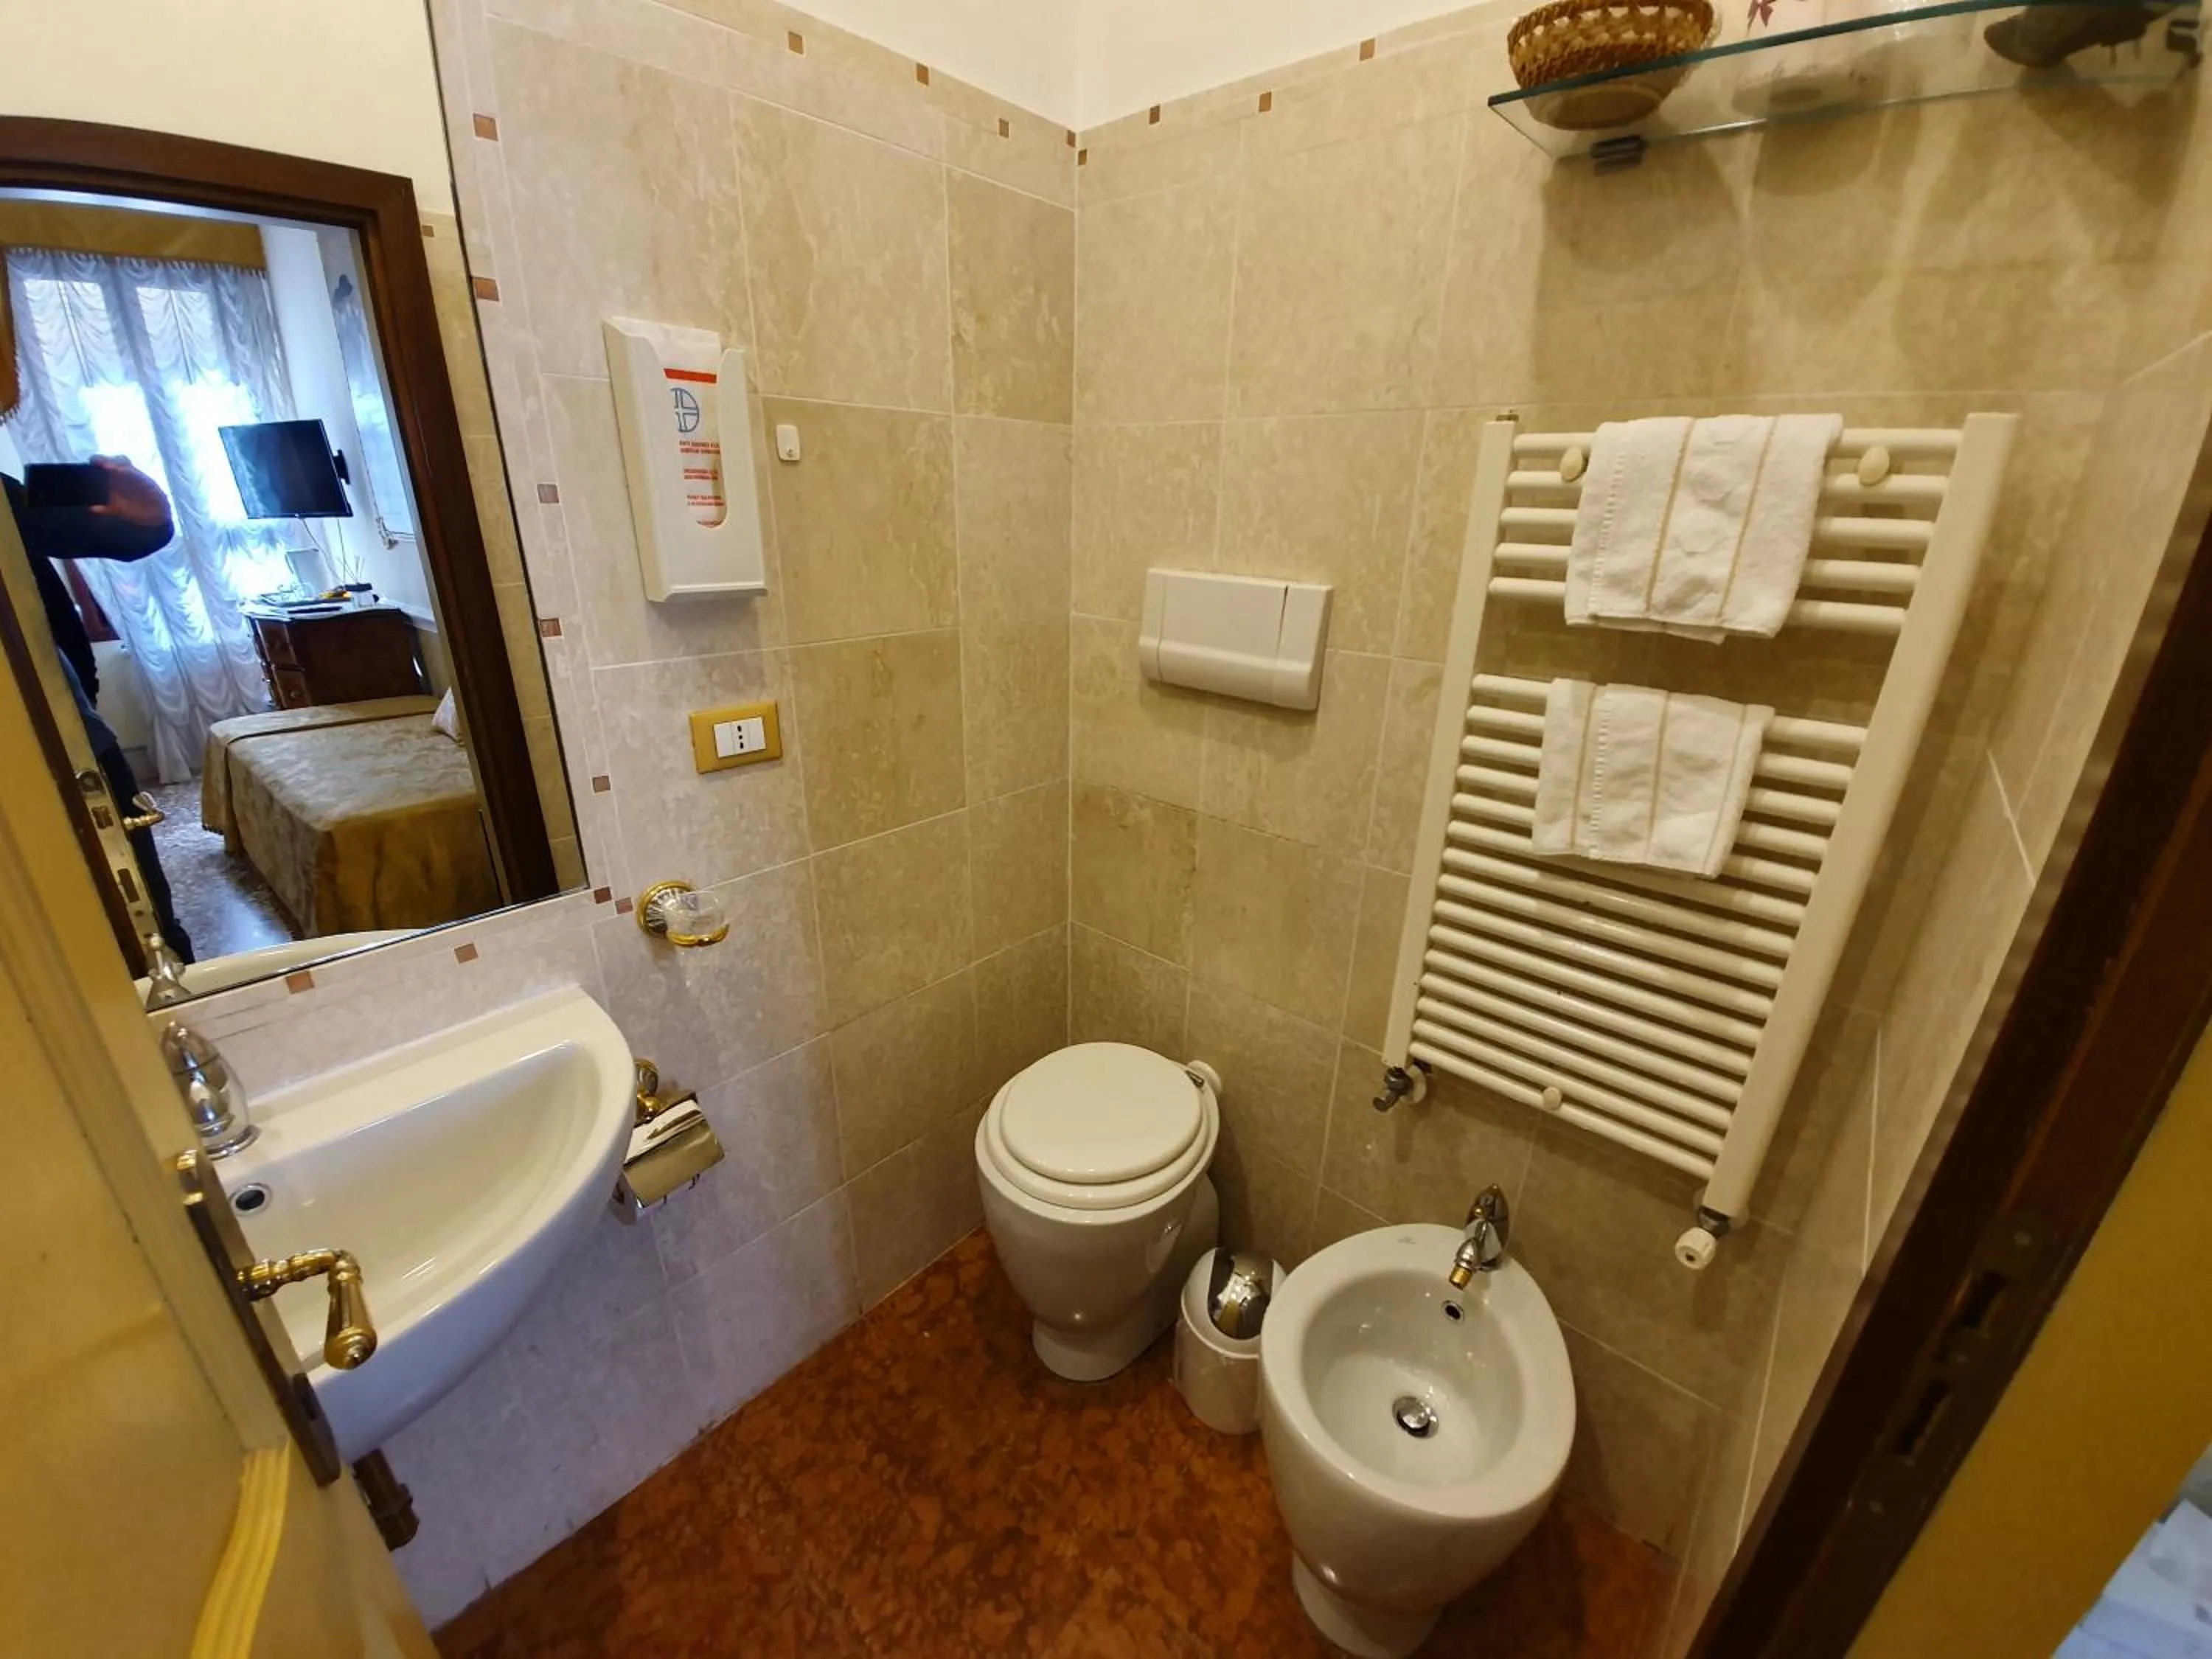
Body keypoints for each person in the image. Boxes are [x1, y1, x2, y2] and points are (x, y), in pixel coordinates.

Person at [4, 454, 195, 960]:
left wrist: (152, 517)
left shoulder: (4, 496)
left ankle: (180, 988)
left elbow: (130, 534)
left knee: (144, 912)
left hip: (75, 732)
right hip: (42, 744)